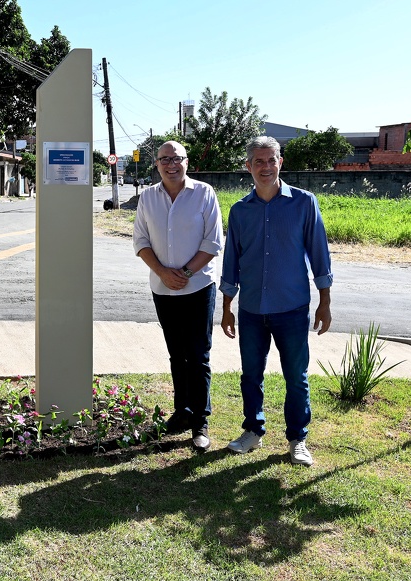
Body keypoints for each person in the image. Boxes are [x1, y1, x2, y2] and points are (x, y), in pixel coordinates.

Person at [219, 135, 333, 467]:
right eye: (259, 161)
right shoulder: (240, 211)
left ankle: (298, 439)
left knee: (296, 376)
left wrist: (324, 301)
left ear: (280, 162)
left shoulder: (304, 202)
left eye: (272, 160)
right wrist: (227, 308)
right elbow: (232, 262)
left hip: (292, 308)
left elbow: (319, 254)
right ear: (248, 166)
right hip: (252, 310)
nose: (266, 167)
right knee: (250, 375)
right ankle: (252, 431)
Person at [132, 140, 224, 451]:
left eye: (177, 158)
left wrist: (182, 273)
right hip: (162, 288)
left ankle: (200, 421)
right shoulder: (147, 198)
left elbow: (213, 242)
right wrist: (162, 272)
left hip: (198, 287)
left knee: (198, 355)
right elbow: (141, 241)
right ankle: (182, 411)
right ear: (156, 164)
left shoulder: (204, 193)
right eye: (164, 159)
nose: (171, 164)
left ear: (187, 161)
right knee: (177, 354)